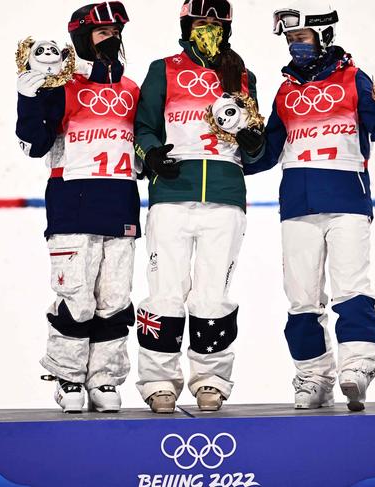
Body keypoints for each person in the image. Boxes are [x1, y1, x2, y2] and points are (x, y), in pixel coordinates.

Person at [245, 1, 375, 411]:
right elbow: (266, 153)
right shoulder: (285, 90)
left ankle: (358, 368)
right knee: (301, 297)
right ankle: (312, 377)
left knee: (350, 287)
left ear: (324, 35)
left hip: (347, 201)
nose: (296, 46)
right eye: (291, 40)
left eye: (302, 38)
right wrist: (243, 146)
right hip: (297, 205)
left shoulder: (353, 78)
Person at [133, 0, 265, 413]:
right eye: (200, 23)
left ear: (228, 28)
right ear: (186, 25)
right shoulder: (164, 68)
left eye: (215, 23)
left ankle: (211, 379)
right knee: (165, 291)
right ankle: (159, 380)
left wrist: (253, 143)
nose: (207, 29)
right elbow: (144, 126)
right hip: (172, 191)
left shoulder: (243, 76)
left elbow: (255, 141)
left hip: (225, 194)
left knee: (213, 293)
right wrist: (152, 154)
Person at [15, 1, 142, 413]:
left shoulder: (131, 88)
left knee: (116, 298)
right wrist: (29, 94)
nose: (112, 38)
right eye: (103, 32)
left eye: (116, 31)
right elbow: (34, 144)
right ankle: (69, 377)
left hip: (121, 203)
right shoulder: (60, 85)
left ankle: (105, 378)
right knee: (77, 297)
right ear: (81, 38)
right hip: (72, 204)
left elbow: (141, 149)